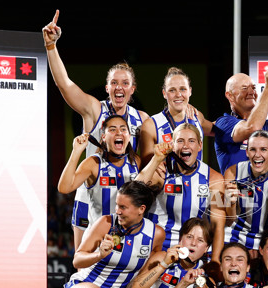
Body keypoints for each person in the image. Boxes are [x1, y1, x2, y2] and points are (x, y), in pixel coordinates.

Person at [43, 10, 149, 249]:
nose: (119, 87)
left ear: (132, 89)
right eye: (114, 82)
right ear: (107, 88)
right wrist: (51, 47)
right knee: (82, 263)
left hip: (126, 198)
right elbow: (64, 83)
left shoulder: (142, 120)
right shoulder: (94, 109)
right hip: (91, 195)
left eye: (125, 83)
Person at [136, 123, 225, 262]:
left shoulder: (215, 179)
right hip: (156, 250)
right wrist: (155, 160)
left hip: (193, 253)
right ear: (172, 145)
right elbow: (133, 193)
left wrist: (215, 261)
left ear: (200, 145)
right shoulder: (161, 170)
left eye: (191, 141)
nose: (185, 146)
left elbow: (218, 224)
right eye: (180, 141)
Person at [57, 115, 140, 230]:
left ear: (129, 136)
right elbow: (64, 188)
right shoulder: (93, 163)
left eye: (123, 129)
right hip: (99, 241)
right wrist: (76, 151)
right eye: (112, 129)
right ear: (104, 137)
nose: (118, 133)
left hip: (129, 240)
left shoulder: (136, 162)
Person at [213, 68, 268, 174]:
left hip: (265, 189)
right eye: (244, 88)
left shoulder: (266, 125)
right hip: (236, 189)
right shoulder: (224, 123)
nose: (252, 92)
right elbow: (251, 128)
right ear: (230, 95)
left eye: (253, 88)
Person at [224, 130, 268, 257]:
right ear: (247, 152)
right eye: (253, 149)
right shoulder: (233, 172)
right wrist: (230, 203)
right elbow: (229, 220)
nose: (257, 155)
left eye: (263, 149)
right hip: (236, 237)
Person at [139, 67, 212, 165]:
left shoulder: (197, 117)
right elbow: (146, 168)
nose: (178, 94)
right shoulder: (151, 125)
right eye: (172, 90)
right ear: (164, 93)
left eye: (183, 89)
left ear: (190, 91)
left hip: (198, 180)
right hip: (165, 180)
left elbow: (219, 131)